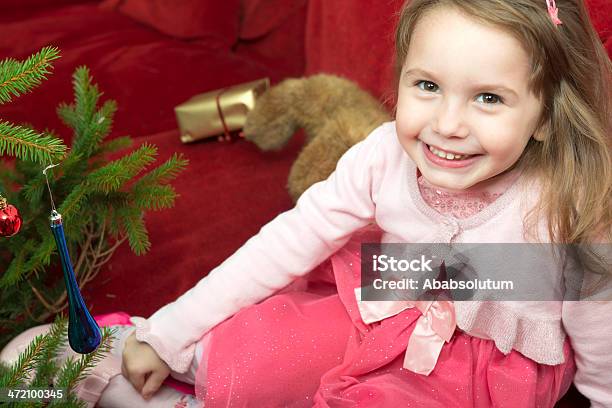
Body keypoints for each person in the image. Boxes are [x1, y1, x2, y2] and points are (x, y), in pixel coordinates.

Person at [2, 0, 610, 406]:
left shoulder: (568, 204)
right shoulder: (382, 154)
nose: (446, 125)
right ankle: (148, 362)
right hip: (384, 295)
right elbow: (289, 240)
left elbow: (600, 332)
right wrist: (166, 334)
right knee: (252, 355)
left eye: (488, 99)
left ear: (546, 119)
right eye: (427, 86)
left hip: (486, 366)